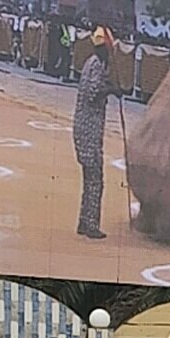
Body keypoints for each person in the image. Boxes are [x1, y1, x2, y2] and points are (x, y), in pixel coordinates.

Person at [73, 27, 122, 239]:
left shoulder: (95, 63)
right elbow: (92, 93)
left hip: (87, 129)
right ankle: (90, 224)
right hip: (88, 130)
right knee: (95, 179)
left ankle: (85, 221)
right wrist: (111, 90)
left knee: (91, 178)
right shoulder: (96, 64)